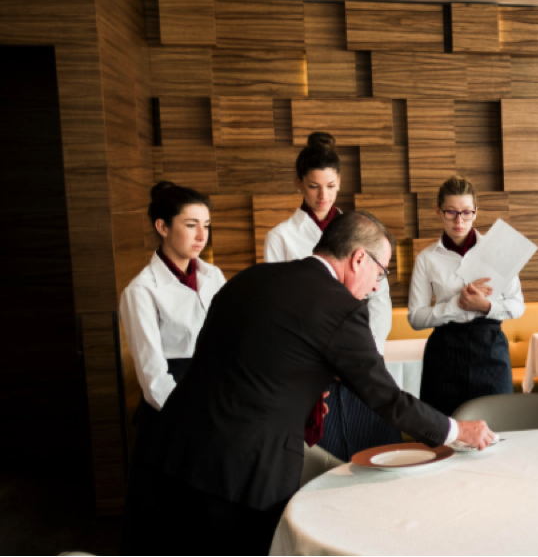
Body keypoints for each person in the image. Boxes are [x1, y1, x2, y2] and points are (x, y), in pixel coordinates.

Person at [121, 211, 496, 555]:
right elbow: (386, 399)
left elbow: (243, 361)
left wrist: (303, 395)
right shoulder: (341, 308)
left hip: (168, 455)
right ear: (359, 259)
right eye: (380, 273)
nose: (375, 287)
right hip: (240, 477)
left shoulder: (251, 277)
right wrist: (456, 430)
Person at [263, 131, 399, 461]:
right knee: (325, 459)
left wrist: (365, 351)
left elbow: (379, 298)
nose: (323, 195)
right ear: (299, 183)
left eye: (331, 186)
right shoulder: (281, 237)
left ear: (340, 183)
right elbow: (281, 309)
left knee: (379, 452)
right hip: (314, 364)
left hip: (363, 354)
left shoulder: (361, 230)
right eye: (314, 186)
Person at [408, 176, 526, 416]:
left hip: (491, 348)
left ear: (476, 212)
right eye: (451, 212)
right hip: (444, 353)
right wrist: (456, 305)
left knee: (498, 426)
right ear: (438, 211)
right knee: (445, 428)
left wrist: (485, 306)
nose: (459, 221)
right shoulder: (426, 259)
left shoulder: (498, 252)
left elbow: (517, 306)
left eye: (466, 212)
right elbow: (416, 318)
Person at [119, 181, 226, 443]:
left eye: (206, 225)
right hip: (174, 410)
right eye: (191, 225)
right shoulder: (141, 291)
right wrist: (195, 418)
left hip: (218, 399)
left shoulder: (213, 275)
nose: (201, 236)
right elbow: (153, 377)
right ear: (162, 227)